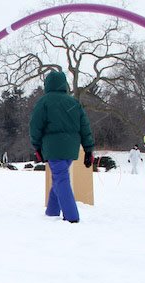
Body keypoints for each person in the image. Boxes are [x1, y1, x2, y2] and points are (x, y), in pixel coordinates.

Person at [29, 71, 94, 223]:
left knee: (61, 179)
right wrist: (88, 149)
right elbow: (85, 127)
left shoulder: (44, 102)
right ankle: (52, 211)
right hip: (71, 148)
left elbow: (35, 126)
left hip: (53, 147)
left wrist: (36, 146)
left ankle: (72, 217)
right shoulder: (73, 103)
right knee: (59, 177)